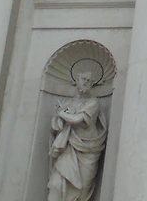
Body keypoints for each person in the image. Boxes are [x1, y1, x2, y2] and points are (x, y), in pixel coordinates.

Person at [47, 69, 107, 201]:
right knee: (56, 184)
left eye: (89, 80)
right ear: (76, 81)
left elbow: (77, 119)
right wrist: (58, 119)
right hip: (68, 148)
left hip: (88, 149)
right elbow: (56, 127)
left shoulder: (93, 103)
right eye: (83, 79)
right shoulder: (69, 103)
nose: (86, 82)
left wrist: (61, 113)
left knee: (83, 188)